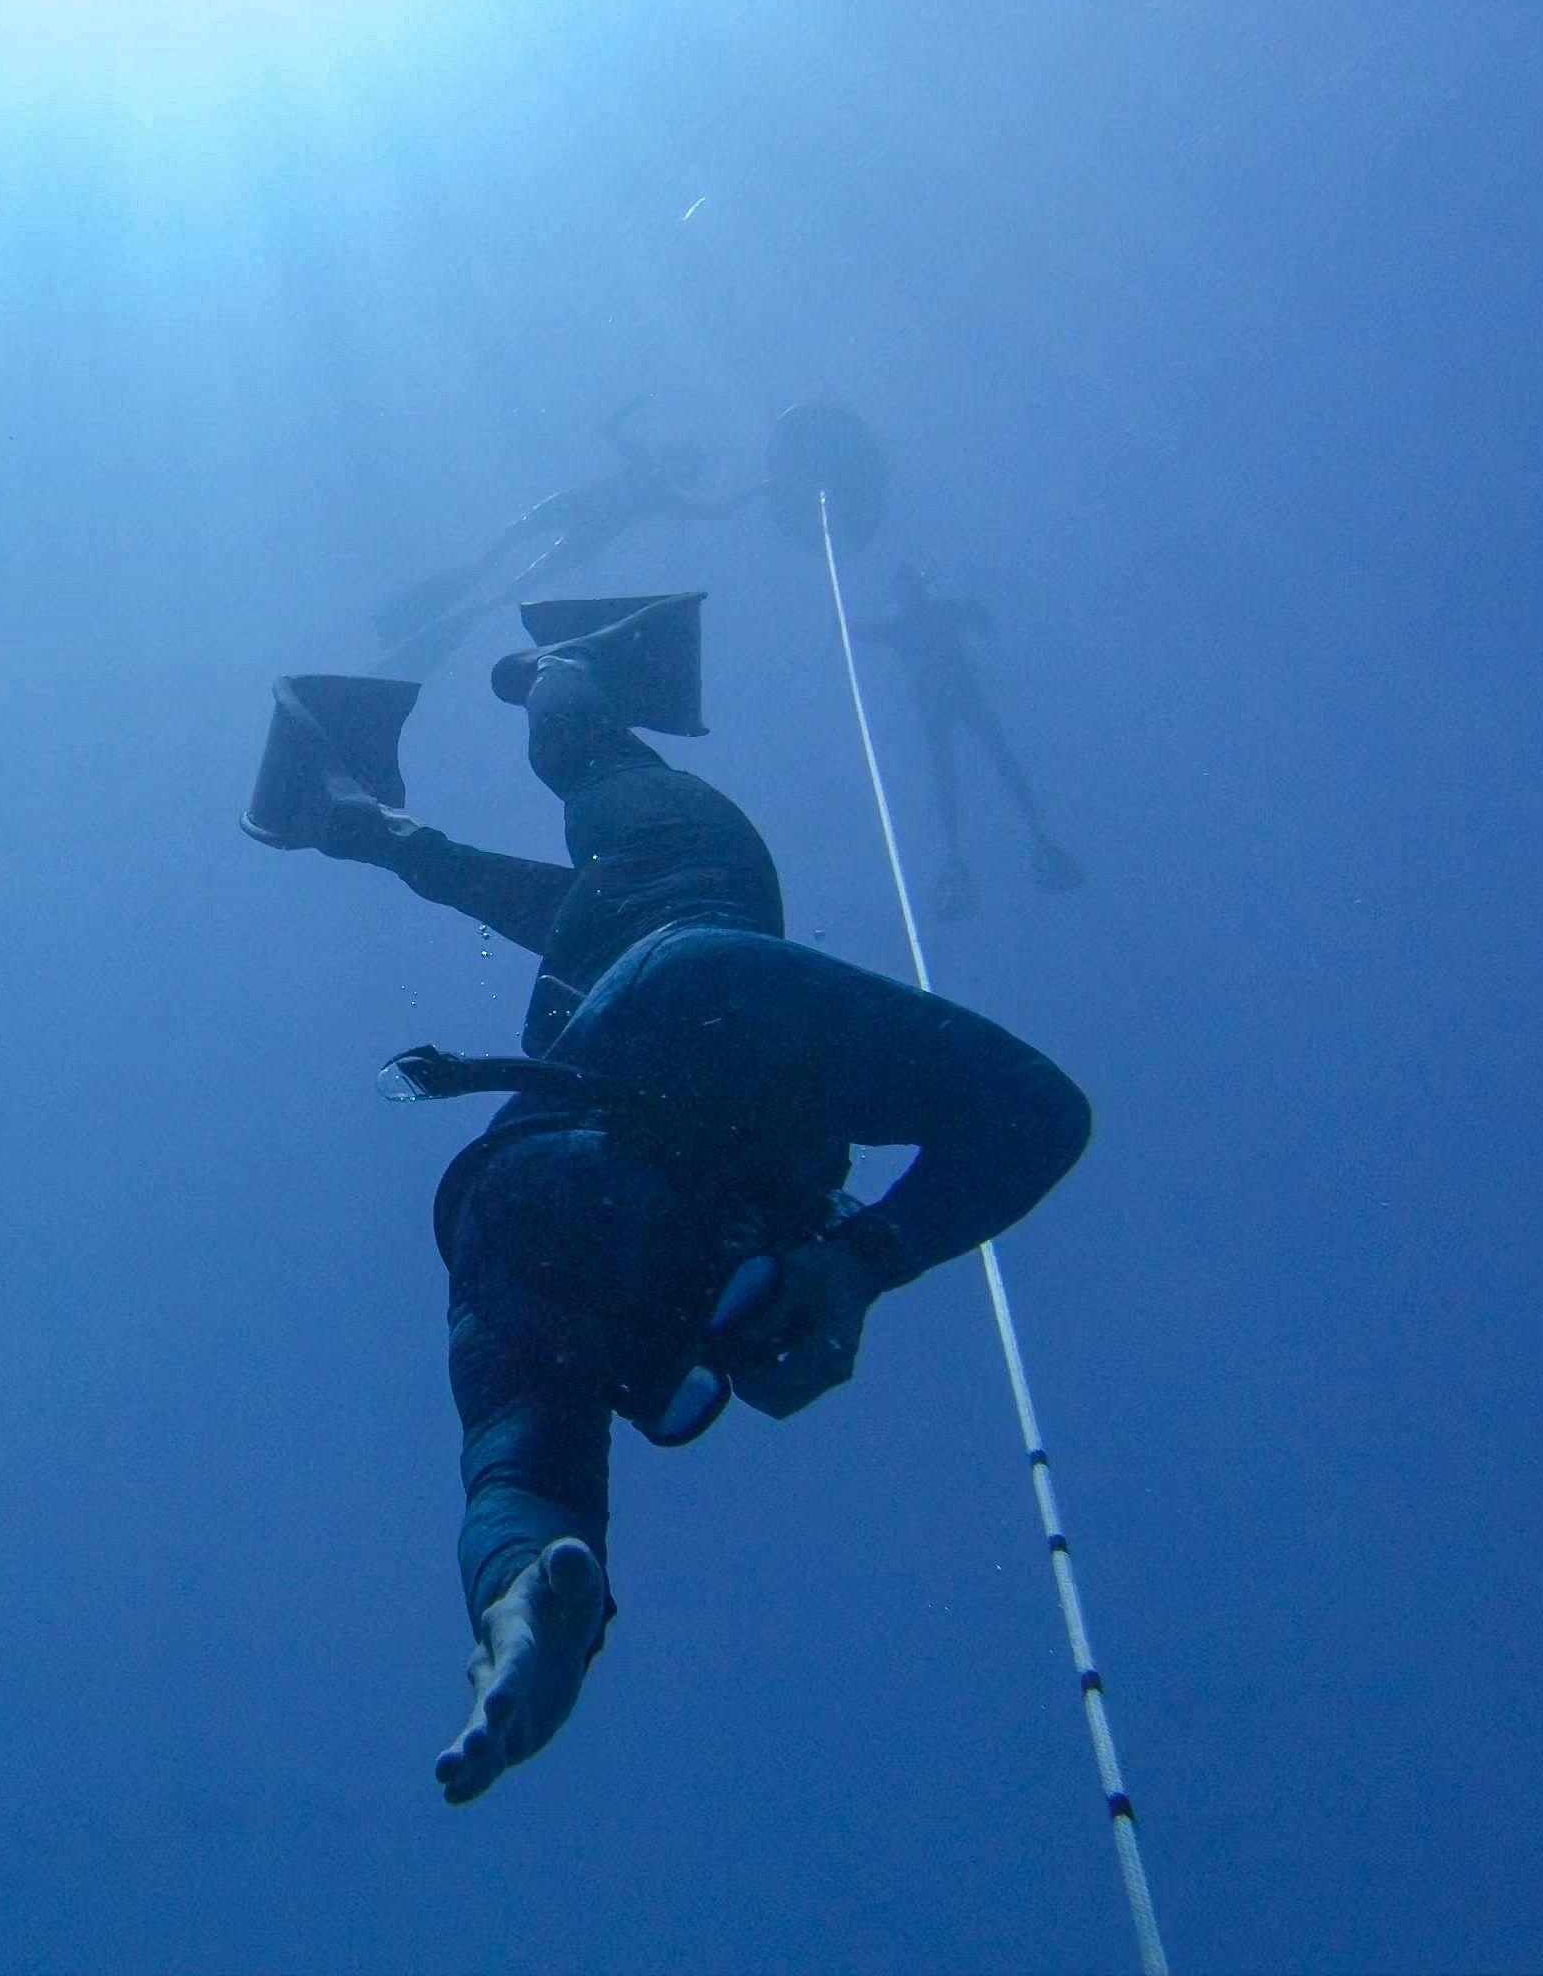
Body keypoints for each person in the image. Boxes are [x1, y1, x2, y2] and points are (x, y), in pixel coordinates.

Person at [286, 612, 1092, 1804]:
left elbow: (1034, 1112)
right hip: (527, 1151)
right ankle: (463, 754)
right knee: (617, 847)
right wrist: (514, 1594)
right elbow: (513, 1477)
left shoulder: (678, 1167)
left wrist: (869, 1256)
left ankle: (538, 693)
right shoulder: (585, 1302)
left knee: (624, 821)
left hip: (641, 1044)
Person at [373, 398, 762, 678]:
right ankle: (453, 613)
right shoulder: (657, 485)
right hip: (581, 518)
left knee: (506, 581)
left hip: (585, 526)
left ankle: (451, 620)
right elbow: (611, 432)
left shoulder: (660, 490)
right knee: (500, 566)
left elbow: (714, 508)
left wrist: (759, 488)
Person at [860, 560, 1083, 917]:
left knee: (981, 763)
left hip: (950, 699)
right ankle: (1004, 842)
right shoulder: (925, 616)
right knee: (964, 767)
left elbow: (979, 622)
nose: (909, 596)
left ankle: (986, 847)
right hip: (954, 699)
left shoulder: (917, 619)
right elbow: (981, 622)